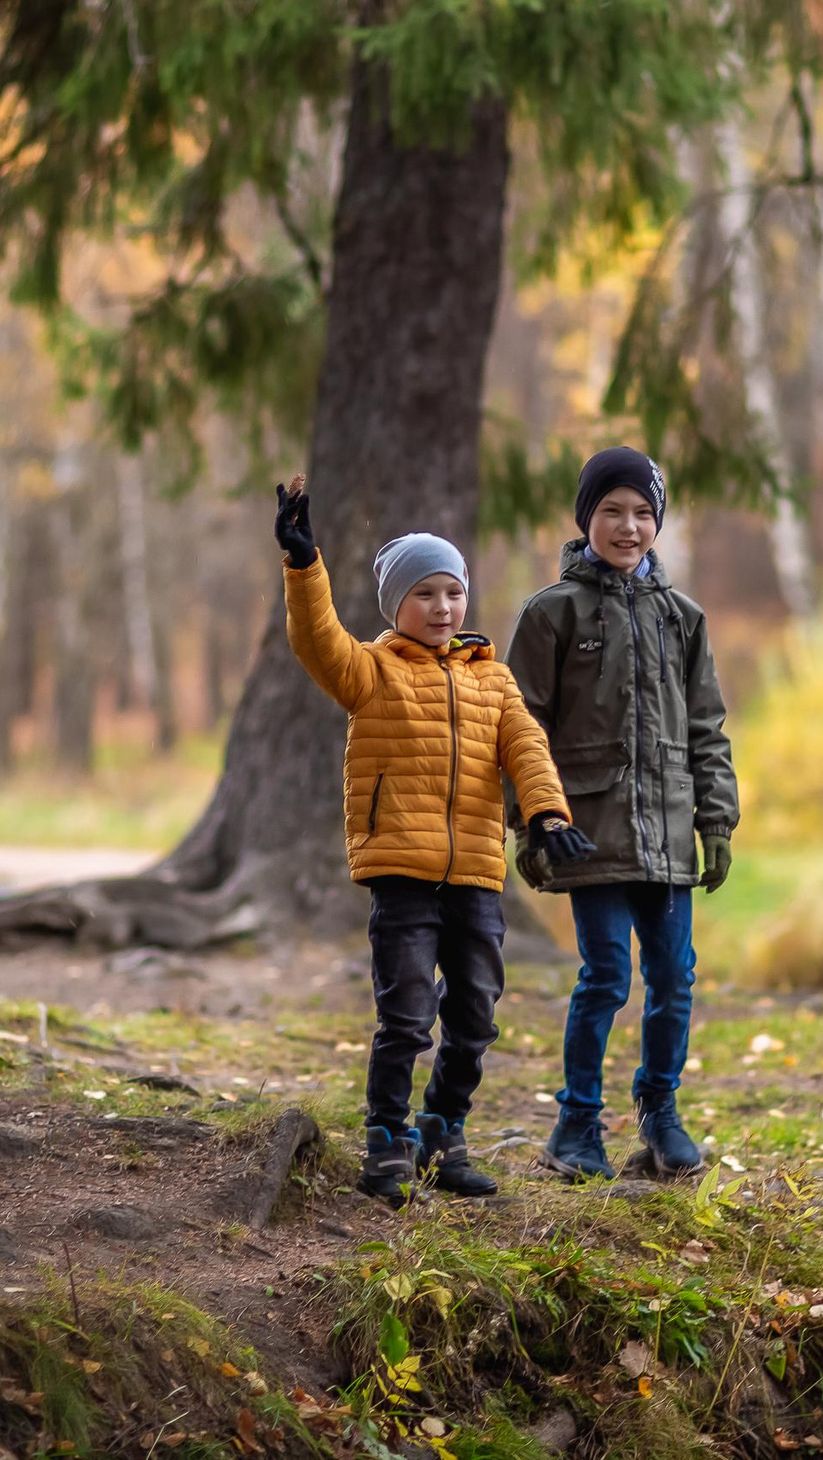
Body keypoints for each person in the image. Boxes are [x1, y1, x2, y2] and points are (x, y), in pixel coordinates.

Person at [272, 477, 595, 1205]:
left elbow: (528, 751)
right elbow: (317, 641)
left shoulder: (496, 682)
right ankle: (387, 1140)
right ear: (397, 605)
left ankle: (444, 1131)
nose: (442, 607)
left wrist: (549, 815)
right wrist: (303, 565)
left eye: (452, 591)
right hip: (403, 870)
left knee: (477, 1009)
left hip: (477, 873)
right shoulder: (373, 670)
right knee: (407, 1012)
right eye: (425, 593)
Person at [505, 446, 738, 1181]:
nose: (627, 526)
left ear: (657, 522)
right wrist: (534, 820)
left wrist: (717, 821)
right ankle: (576, 1125)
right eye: (612, 510)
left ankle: (661, 1111)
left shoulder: (683, 618)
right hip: (589, 832)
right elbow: (519, 725)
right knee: (605, 975)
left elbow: (708, 728)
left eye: (642, 513)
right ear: (587, 518)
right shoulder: (552, 613)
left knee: (674, 977)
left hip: (669, 833)